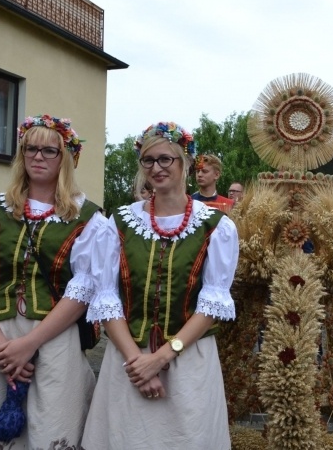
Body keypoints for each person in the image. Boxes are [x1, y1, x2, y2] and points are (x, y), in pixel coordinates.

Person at [0, 115, 107, 448]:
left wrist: (29, 344)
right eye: (30, 148)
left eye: (49, 150)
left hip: (53, 339)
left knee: (52, 426)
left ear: (65, 159)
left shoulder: (88, 219)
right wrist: (2, 351)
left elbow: (82, 291)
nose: (38, 156)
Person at [82, 122, 238, 449]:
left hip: (188, 362)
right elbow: (107, 298)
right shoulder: (120, 222)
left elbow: (211, 305)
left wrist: (162, 357)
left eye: (166, 159)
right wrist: (137, 362)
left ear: (186, 163)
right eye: (148, 160)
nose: (157, 167)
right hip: (129, 360)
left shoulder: (216, 226)